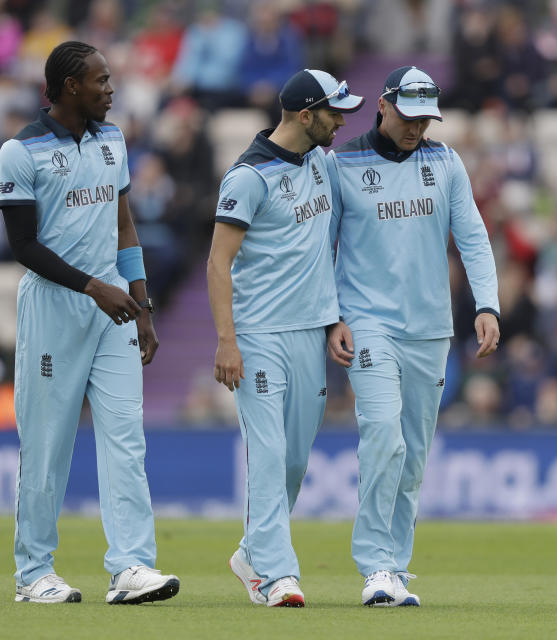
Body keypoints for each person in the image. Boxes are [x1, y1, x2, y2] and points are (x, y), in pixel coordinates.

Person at [0, 41, 179, 605]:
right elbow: (23, 246)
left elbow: (125, 226)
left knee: (126, 436)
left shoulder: (113, 140)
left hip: (115, 309)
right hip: (57, 307)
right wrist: (91, 286)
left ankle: (130, 567)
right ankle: (33, 573)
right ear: (70, 87)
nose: (111, 88)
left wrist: (142, 304)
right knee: (48, 444)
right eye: (101, 80)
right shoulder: (19, 152)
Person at [325, 66, 500, 606]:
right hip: (368, 323)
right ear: (383, 104)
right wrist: (332, 317)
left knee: (414, 455)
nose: (416, 128)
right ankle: (374, 565)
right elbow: (320, 249)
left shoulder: (444, 161)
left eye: (426, 119)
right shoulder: (341, 164)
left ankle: (395, 568)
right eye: (408, 115)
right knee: (384, 434)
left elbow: (471, 234)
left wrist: (487, 304)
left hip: (430, 328)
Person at [207, 69, 364, 607]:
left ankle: (252, 550)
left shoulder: (321, 161)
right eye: (334, 111)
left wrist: (335, 316)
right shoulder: (248, 177)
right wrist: (227, 341)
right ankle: (277, 576)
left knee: (294, 460)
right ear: (304, 115)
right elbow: (218, 263)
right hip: (258, 335)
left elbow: (323, 249)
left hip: (309, 333)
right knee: (270, 454)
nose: (342, 120)